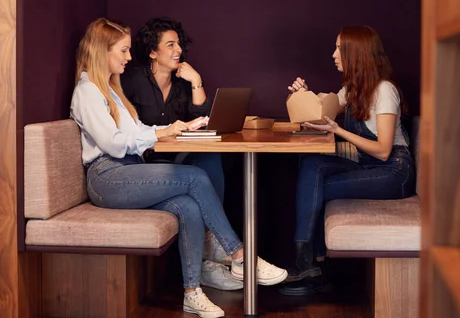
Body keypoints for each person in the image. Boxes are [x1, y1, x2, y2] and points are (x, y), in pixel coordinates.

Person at [71, 18, 288, 317]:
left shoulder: (110, 91)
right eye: (123, 50)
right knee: (196, 178)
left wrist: (177, 127)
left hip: (127, 171)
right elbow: (114, 143)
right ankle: (240, 255)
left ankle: (191, 291)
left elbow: (137, 129)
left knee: (188, 206)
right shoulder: (87, 91)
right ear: (101, 51)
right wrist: (160, 133)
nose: (128, 57)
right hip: (107, 177)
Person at [279, 25, 416, 296]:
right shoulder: (352, 88)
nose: (333, 55)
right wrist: (305, 94)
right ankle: (310, 264)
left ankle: (310, 265)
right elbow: (324, 111)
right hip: (370, 165)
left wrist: (339, 130)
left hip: (395, 172)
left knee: (315, 191)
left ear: (356, 53)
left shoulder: (384, 90)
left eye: (339, 49)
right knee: (311, 165)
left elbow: (384, 150)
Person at [120, 17, 238, 291]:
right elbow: (127, 129)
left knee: (210, 158)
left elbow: (202, 117)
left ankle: (211, 253)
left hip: (175, 161)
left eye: (179, 45)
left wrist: (196, 80)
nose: (178, 51)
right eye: (170, 45)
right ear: (152, 51)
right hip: (143, 164)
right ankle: (218, 253)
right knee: (198, 176)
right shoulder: (132, 80)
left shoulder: (183, 84)